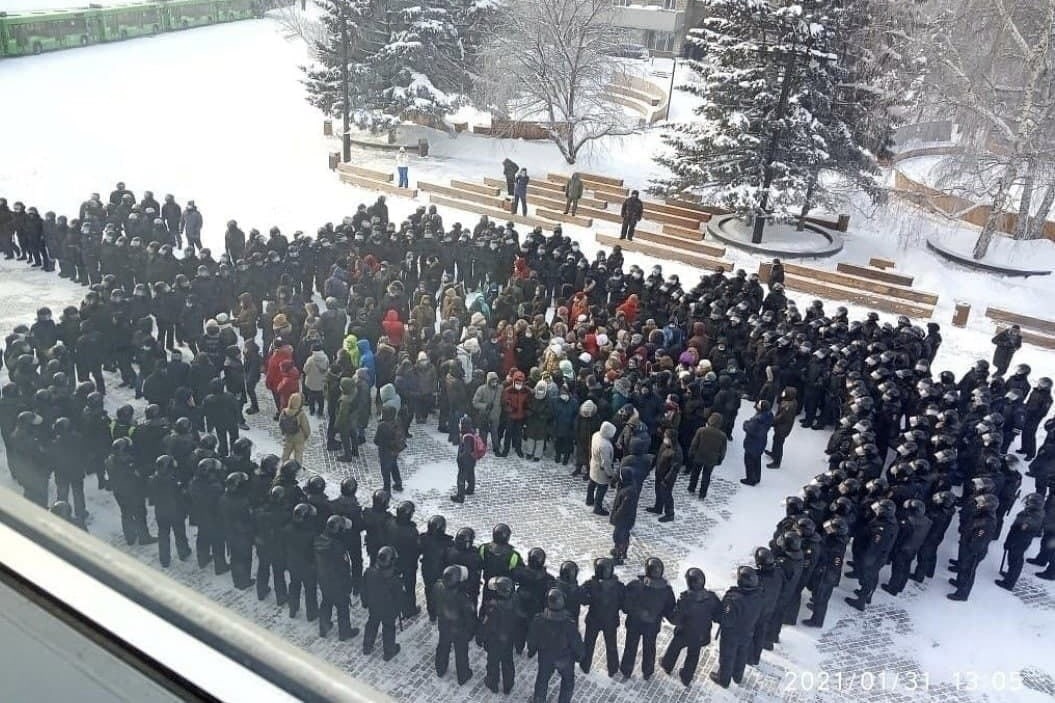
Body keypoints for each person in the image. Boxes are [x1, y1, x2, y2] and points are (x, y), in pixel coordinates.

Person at [660, 568, 720, 687]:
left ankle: (667, 665)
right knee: (694, 654)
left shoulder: (685, 600)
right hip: (701, 635)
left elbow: (675, 619)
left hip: (684, 633)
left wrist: (667, 612)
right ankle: (686, 677)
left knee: (674, 647)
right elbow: (717, 615)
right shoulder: (711, 597)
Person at [620, 557, 675, 680]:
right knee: (650, 648)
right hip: (652, 626)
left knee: (630, 647)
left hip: (634, 623)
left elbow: (625, 606)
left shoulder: (636, 585)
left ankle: (626, 670)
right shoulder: (667, 591)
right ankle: (647, 671)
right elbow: (669, 610)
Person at [526, 589, 584, 703]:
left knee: (542, 680)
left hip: (546, 657)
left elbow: (532, 638)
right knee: (567, 682)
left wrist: (531, 650)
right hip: (564, 658)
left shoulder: (539, 620)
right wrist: (580, 655)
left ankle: (539, 700)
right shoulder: (569, 624)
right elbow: (576, 643)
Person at [711, 566, 762, 688]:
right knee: (742, 654)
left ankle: (723, 679)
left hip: (731, 635)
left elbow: (726, 619)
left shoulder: (733, 599)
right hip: (748, 632)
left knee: (727, 657)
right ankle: (737, 676)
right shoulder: (758, 596)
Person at [315, 515, 361, 640]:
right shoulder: (338, 547)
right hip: (337, 582)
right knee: (343, 607)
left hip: (324, 579)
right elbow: (344, 569)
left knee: (326, 602)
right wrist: (348, 585)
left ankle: (323, 627)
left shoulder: (319, 540)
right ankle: (345, 632)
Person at [948, 494, 999, 600]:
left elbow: (980, 536)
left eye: (983, 503)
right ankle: (959, 582)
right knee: (963, 566)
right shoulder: (981, 513)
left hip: (974, 550)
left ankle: (962, 594)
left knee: (968, 571)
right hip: (968, 544)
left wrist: (972, 546)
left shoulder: (987, 521)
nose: (979, 503)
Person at [433, 564, 477, 684]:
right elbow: (469, 616)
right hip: (459, 629)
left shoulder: (438, 586)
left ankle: (440, 668)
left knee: (443, 647)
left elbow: (434, 603)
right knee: (461, 653)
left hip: (444, 624)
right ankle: (463, 675)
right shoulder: (463, 597)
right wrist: (470, 631)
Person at [362, 545, 404, 660]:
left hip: (374, 606)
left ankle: (367, 646)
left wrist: (365, 602)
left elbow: (364, 589)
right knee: (389, 628)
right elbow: (399, 599)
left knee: (372, 624)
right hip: (388, 611)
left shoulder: (369, 572)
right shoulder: (395, 580)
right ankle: (389, 651)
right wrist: (397, 611)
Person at [996, 493, 1045, 590]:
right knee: (1013, 559)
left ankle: (1009, 582)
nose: (1027, 503)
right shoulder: (1032, 513)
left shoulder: (1032, 517)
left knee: (1015, 560)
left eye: (1029, 502)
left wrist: (1011, 541)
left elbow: (1020, 530)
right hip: (1018, 540)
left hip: (1019, 542)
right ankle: (1010, 575)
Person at [479, 576, 518, 694]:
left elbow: (487, 625)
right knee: (508, 662)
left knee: (493, 662)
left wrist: (481, 637)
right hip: (509, 638)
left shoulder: (494, 607)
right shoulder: (515, 600)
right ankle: (508, 686)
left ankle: (492, 683)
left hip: (495, 640)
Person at [687, 412, 726, 499]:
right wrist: (720, 459)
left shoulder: (701, 430)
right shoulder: (722, 436)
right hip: (711, 459)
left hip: (699, 456)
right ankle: (702, 493)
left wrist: (691, 453)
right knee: (706, 476)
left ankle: (691, 487)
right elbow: (723, 450)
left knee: (695, 473)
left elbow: (694, 444)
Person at [609, 467, 638, 565]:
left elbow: (623, 509)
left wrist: (615, 517)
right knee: (623, 536)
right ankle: (621, 551)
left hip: (623, 520)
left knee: (619, 537)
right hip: (626, 519)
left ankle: (619, 556)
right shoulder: (629, 486)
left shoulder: (628, 492)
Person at [741, 400, 774, 486]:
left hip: (752, 443)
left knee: (749, 462)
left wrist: (745, 423)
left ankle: (750, 479)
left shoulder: (758, 420)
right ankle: (757, 477)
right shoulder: (769, 415)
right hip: (761, 442)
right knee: (757, 460)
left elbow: (750, 429)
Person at [374, 405, 405, 492]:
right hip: (395, 450)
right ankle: (398, 483)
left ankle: (386, 490)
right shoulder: (398, 421)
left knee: (385, 471)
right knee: (394, 465)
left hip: (385, 452)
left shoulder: (382, 426)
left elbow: (376, 440)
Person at [766, 388, 798, 468]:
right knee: (776, 440)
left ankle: (777, 462)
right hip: (782, 426)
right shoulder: (790, 401)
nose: (783, 393)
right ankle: (774, 453)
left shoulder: (788, 406)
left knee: (778, 444)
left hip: (782, 428)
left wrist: (771, 422)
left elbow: (781, 417)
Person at [451, 415, 477, 503]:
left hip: (465, 461)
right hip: (472, 459)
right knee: (471, 474)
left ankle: (460, 496)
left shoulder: (466, 436)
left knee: (461, 478)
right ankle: (470, 489)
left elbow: (466, 451)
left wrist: (460, 458)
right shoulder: (472, 432)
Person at [279, 392, 311, 463]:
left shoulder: (284, 411)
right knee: (298, 455)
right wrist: (306, 435)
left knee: (285, 454)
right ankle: (297, 467)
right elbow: (305, 426)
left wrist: (284, 433)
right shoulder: (301, 414)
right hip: (299, 438)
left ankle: (282, 466)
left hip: (288, 437)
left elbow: (280, 423)